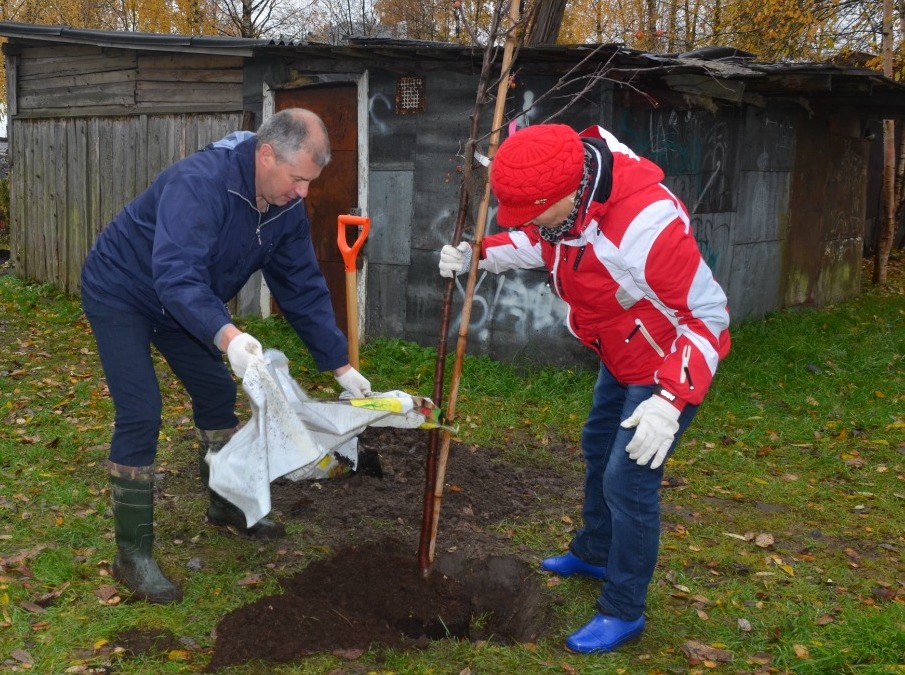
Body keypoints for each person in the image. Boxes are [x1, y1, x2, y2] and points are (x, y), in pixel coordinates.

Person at [438, 123, 731, 653]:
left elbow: (709, 317)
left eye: (534, 210)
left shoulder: (646, 225)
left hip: (665, 364)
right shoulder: (567, 208)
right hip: (618, 354)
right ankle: (595, 550)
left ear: (565, 195)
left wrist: (670, 401)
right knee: (597, 447)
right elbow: (539, 241)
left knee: (629, 481)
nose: (527, 222)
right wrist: (478, 253)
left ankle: (623, 609)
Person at [81, 108, 371, 604]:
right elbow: (175, 274)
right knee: (141, 411)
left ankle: (225, 504)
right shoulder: (199, 183)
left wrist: (340, 364)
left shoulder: (283, 207)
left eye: (309, 182)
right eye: (298, 178)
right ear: (265, 155)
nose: (303, 192)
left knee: (216, 391)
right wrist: (228, 336)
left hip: (184, 305)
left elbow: (301, 288)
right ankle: (132, 555)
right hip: (123, 290)